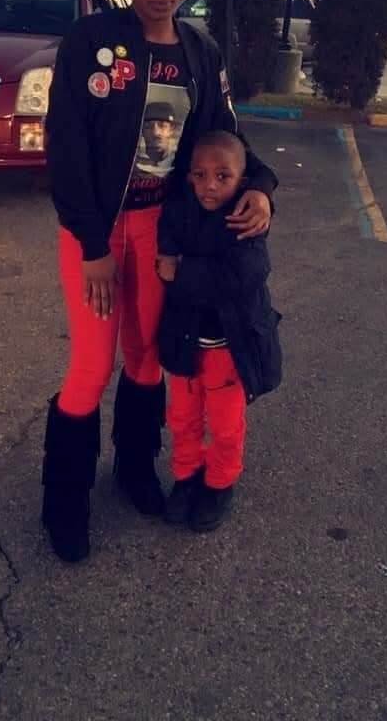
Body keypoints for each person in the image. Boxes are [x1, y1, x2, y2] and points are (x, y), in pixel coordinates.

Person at [41, 0, 278, 563]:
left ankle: (136, 469)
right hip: (94, 234)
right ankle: (64, 505)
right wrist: (92, 245)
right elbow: (67, 148)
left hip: (159, 232)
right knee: (92, 366)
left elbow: (225, 139)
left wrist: (261, 188)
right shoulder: (92, 43)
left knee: (147, 357)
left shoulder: (200, 51)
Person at [156, 130, 282, 532]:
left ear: (242, 180)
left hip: (229, 345)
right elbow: (164, 260)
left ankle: (219, 482)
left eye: (223, 176)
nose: (210, 185)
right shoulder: (178, 211)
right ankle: (186, 475)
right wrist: (177, 269)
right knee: (182, 417)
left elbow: (242, 276)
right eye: (200, 175)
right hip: (185, 340)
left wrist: (182, 272)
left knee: (225, 424)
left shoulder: (245, 218)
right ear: (189, 177)